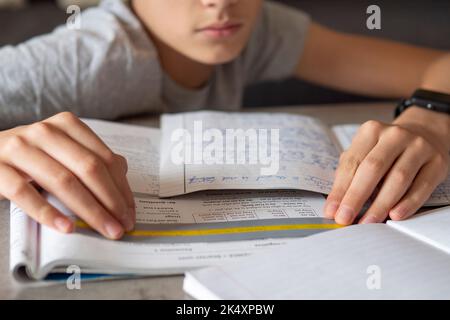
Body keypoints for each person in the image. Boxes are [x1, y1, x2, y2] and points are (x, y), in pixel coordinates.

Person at [0, 0, 448, 239]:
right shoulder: (86, 58)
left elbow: (437, 66)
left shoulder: (257, 28)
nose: (221, 3)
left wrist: (429, 118)